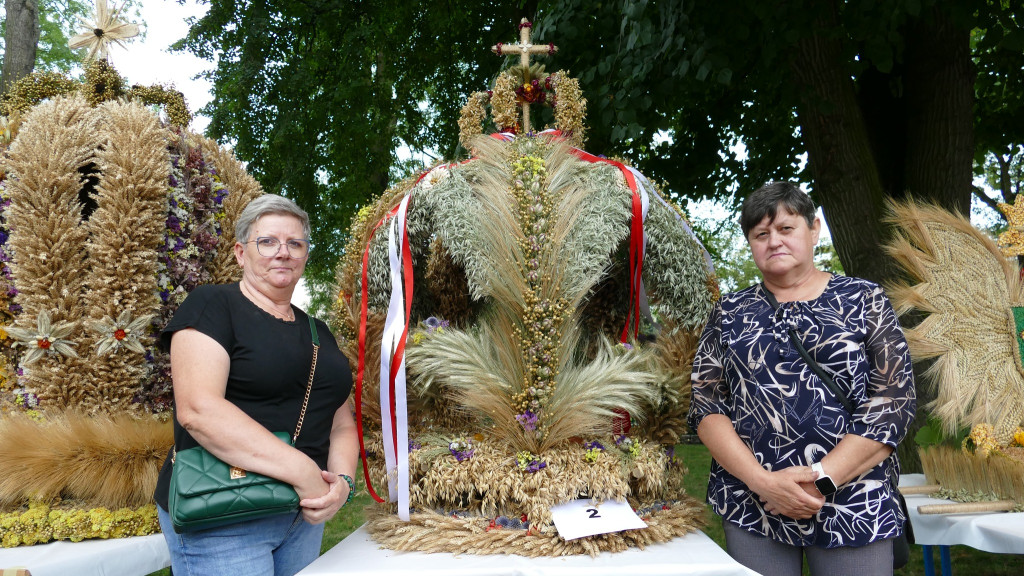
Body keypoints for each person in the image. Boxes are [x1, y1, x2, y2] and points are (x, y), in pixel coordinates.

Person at [687, 182, 916, 576]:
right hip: (753, 503)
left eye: (785, 228)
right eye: (761, 234)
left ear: (814, 229)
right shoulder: (729, 312)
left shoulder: (865, 299)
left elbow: (893, 403)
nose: (773, 241)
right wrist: (763, 482)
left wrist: (819, 482)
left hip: (853, 500)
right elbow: (706, 405)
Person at [154, 194, 358, 576]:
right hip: (224, 515)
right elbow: (199, 410)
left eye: (295, 243)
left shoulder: (320, 332)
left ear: (305, 255)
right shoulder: (212, 306)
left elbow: (340, 421)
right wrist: (302, 472)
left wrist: (343, 483)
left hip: (303, 516)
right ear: (240, 252)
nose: (283, 252)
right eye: (267, 241)